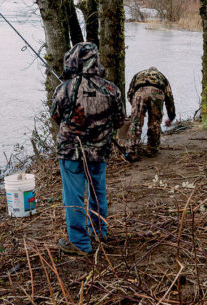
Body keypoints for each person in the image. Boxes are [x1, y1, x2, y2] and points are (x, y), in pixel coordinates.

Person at [51, 42, 124, 255]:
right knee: (97, 191)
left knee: (73, 196)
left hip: (70, 152)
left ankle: (80, 244)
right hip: (100, 151)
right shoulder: (111, 89)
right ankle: (99, 232)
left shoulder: (64, 88)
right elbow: (119, 121)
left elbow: (57, 117)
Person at [126, 67, 175, 157]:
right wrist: (171, 116)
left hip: (139, 92)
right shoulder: (161, 76)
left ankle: (132, 151)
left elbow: (129, 93)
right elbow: (169, 98)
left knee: (136, 123)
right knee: (154, 123)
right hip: (157, 92)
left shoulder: (138, 74)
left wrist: (137, 110)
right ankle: (152, 150)